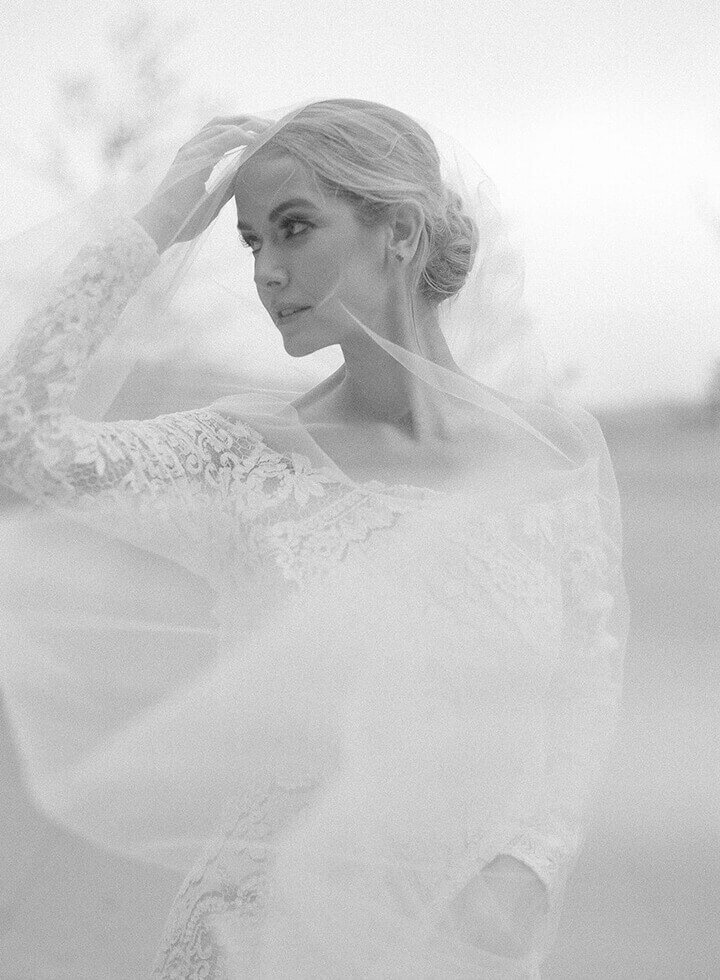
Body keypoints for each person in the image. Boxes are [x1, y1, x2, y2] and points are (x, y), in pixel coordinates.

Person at [0, 99, 626, 978]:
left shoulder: (553, 453)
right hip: (257, 934)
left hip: (463, 937)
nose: (266, 271)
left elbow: (583, 692)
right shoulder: (240, 458)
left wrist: (529, 868)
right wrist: (157, 224)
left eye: (293, 228)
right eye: (251, 240)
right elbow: (19, 442)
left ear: (398, 231)